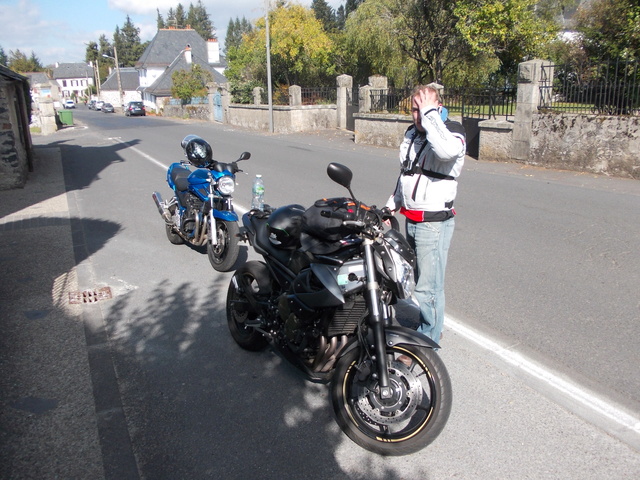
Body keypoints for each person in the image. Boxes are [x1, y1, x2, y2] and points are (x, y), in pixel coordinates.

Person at [385, 84, 466, 344]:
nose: (418, 116)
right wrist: (390, 205)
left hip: (433, 223)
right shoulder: (413, 134)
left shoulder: (451, 132)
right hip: (412, 219)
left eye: (424, 110)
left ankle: (428, 338)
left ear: (438, 108)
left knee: (429, 285)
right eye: (415, 110)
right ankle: (429, 324)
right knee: (417, 278)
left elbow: (445, 152)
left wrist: (431, 114)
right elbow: (406, 175)